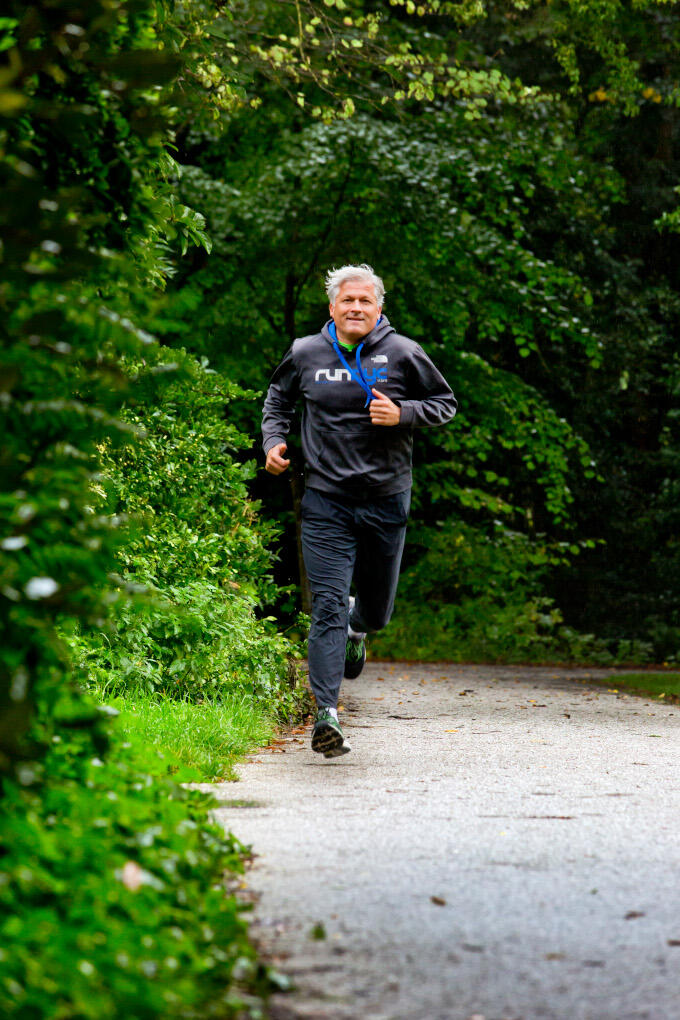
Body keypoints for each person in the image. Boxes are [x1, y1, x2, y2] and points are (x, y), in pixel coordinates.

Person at [262, 264, 456, 758]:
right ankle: (326, 713)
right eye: (346, 301)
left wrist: (403, 414)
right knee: (325, 606)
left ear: (378, 308)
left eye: (364, 301)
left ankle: (360, 624)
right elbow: (278, 399)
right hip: (325, 500)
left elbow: (445, 403)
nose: (355, 308)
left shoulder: (405, 353)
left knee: (377, 609)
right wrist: (274, 440)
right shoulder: (306, 352)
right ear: (332, 307)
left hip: (386, 499)